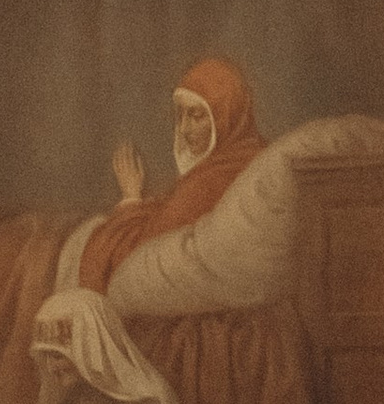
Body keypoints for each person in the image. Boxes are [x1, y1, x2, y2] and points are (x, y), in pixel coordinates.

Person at [77, 57, 268, 293]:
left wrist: (131, 198)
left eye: (196, 116)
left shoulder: (213, 179)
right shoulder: (250, 157)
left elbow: (140, 255)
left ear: (225, 117)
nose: (184, 129)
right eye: (181, 116)